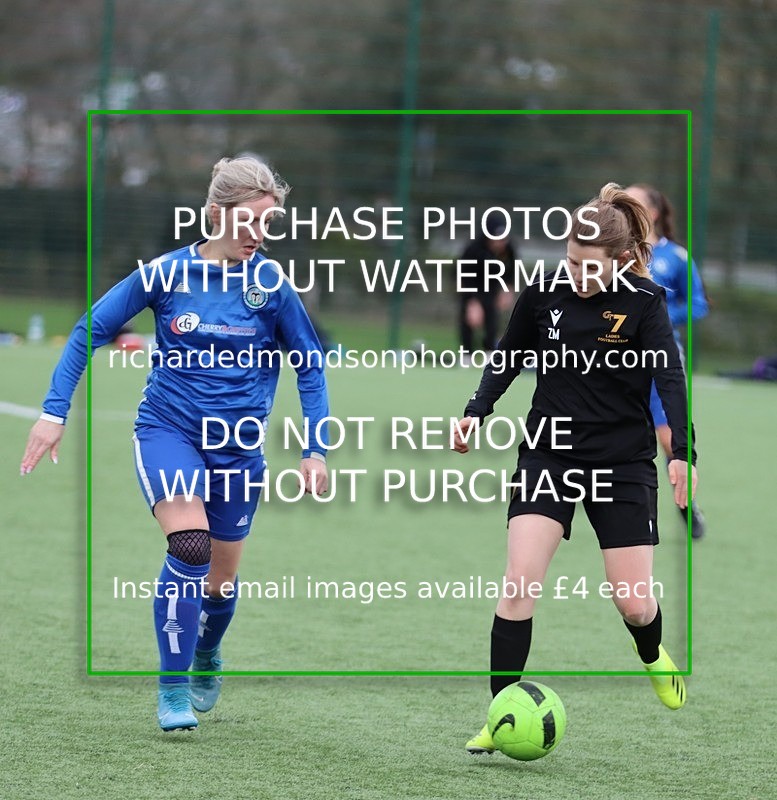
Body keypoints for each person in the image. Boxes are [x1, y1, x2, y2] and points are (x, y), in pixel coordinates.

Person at [20, 156, 329, 732]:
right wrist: (52, 413)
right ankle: (172, 688)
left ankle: (207, 651)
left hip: (238, 449)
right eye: (249, 221)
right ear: (216, 214)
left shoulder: (271, 287)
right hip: (169, 432)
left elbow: (310, 366)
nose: (259, 235)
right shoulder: (166, 274)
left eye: (268, 223)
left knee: (220, 582)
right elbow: (90, 328)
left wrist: (316, 448)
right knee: (190, 546)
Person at [454, 183, 697, 755]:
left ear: (621, 259)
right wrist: (475, 412)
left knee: (634, 602)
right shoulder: (543, 294)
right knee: (519, 584)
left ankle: (650, 652)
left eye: (590, 267)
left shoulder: (645, 302)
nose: (578, 275)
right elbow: (507, 356)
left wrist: (683, 452)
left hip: (622, 462)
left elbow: (669, 377)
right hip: (549, 452)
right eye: (570, 262)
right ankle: (500, 714)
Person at [625, 184, 708, 538]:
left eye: (633, 203)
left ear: (653, 213)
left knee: (667, 438)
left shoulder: (675, 257)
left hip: (659, 358)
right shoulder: (615, 252)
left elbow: (698, 304)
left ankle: (686, 504)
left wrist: (655, 316)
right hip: (619, 358)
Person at [458, 213, 517, 357]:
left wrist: (508, 288)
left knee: (492, 316)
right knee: (469, 318)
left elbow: (511, 269)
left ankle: (490, 353)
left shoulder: (508, 249)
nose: (502, 242)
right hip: (472, 286)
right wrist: (472, 302)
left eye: (504, 238)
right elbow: (463, 278)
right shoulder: (473, 250)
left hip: (491, 286)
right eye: (498, 238)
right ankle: (467, 354)